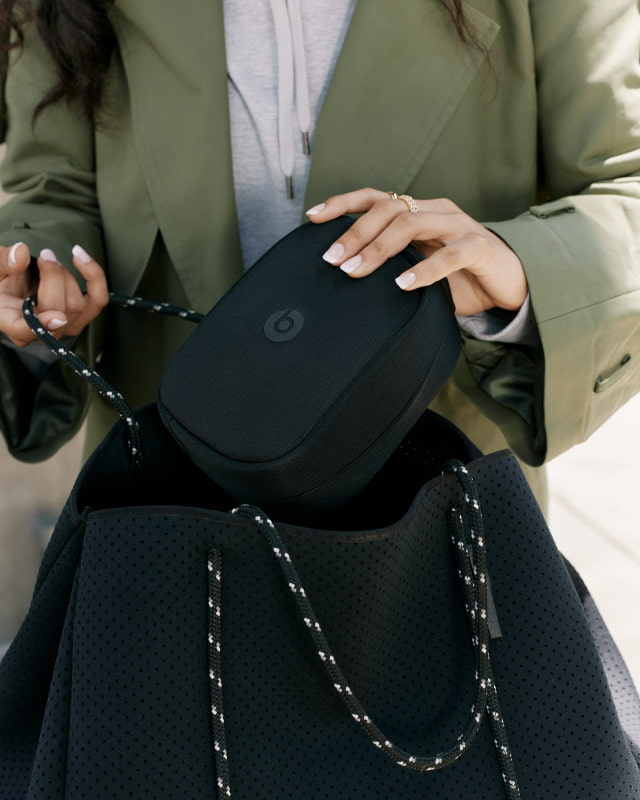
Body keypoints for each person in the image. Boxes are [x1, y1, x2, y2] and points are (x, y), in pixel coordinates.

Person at [0, 0, 638, 505]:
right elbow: (53, 187)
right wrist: (35, 284)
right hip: (167, 502)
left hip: (439, 506)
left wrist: (517, 266)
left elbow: (624, 181)